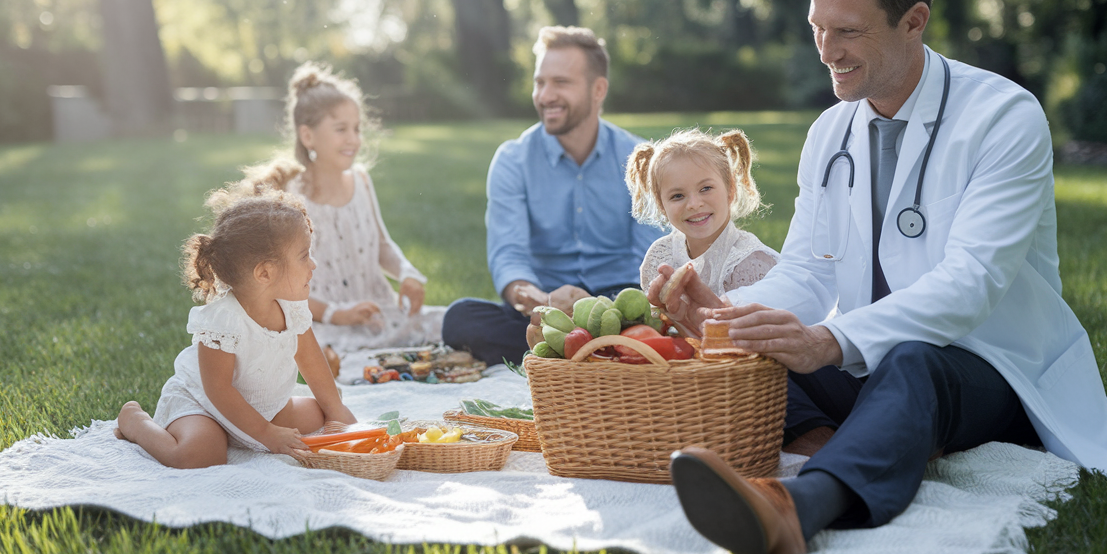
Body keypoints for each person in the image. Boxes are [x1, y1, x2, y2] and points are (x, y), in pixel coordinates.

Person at [653, 0, 1107, 554]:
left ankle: (796, 510)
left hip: (991, 365)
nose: (826, 51)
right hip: (872, 358)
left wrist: (829, 340)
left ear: (914, 20)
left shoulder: (1003, 117)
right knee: (763, 354)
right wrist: (731, 319)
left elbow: (970, 286)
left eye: (848, 31)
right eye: (816, 28)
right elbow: (806, 270)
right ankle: (873, 445)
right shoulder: (830, 132)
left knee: (912, 362)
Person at [442, 26, 664, 366]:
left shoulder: (639, 158)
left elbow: (650, 256)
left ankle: (574, 352)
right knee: (460, 319)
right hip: (544, 310)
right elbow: (508, 258)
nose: (545, 95)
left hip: (619, 303)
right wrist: (541, 300)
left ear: (598, 89)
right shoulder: (513, 160)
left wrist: (606, 309)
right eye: (539, 82)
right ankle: (607, 352)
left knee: (663, 319)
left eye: (560, 83)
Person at [116, 189, 357, 468]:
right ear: (264, 273)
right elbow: (218, 390)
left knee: (322, 411)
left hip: (265, 407)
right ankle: (135, 422)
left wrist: (336, 411)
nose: (313, 265)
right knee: (199, 455)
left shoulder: (292, 307)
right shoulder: (223, 320)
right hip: (206, 406)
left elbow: (311, 360)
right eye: (304, 256)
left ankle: (246, 432)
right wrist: (267, 434)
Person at [242, 62, 445, 363]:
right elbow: (280, 286)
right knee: (338, 362)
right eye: (341, 130)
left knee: (452, 323)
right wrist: (338, 314)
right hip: (323, 322)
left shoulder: (361, 180)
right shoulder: (291, 197)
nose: (353, 139)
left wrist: (407, 273)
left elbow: (382, 246)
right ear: (308, 136)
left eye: (357, 129)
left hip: (378, 312)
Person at [626, 128, 779, 297]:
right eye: (677, 196)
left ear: (730, 190)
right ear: (662, 205)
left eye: (706, 188)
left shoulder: (750, 264)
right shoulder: (660, 257)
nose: (694, 204)